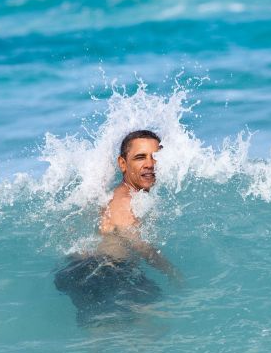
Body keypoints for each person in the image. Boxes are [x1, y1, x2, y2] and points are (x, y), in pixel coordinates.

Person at [54, 130, 181, 326]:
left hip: (89, 269)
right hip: (104, 273)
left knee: (105, 339)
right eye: (140, 157)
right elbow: (137, 244)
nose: (150, 163)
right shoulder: (124, 201)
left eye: (155, 157)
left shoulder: (127, 194)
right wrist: (171, 271)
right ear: (123, 163)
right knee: (153, 323)